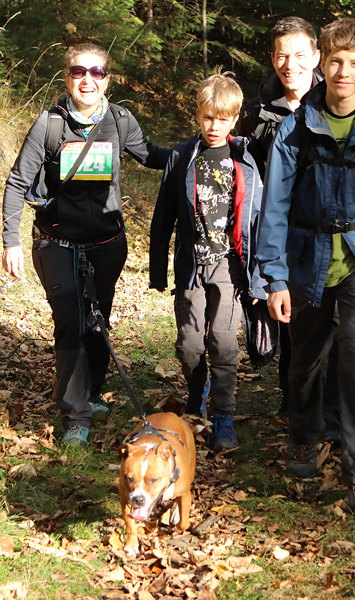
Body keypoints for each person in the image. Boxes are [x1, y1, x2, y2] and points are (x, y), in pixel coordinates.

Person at [255, 18, 355, 515]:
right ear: (323, 65)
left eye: (354, 63)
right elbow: (274, 208)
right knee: (305, 362)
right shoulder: (293, 130)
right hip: (306, 263)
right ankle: (304, 438)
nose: (344, 72)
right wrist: (275, 277)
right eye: (336, 62)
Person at [1, 43, 170, 447]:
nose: (88, 80)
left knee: (97, 321)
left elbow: (151, 156)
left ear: (107, 79)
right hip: (56, 242)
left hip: (107, 244)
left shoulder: (120, 120)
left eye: (97, 72)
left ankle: (91, 392)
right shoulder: (49, 125)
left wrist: (200, 149)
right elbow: (17, 182)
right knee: (71, 322)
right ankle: (76, 415)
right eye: (79, 71)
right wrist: (11, 241)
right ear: (67, 77)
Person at [149, 70, 265, 452]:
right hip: (191, 266)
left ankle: (223, 415)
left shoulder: (244, 161)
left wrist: (260, 277)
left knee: (224, 343)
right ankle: (197, 391)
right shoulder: (183, 157)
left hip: (230, 267)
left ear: (234, 120)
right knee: (189, 346)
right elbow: (163, 216)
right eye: (208, 117)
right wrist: (157, 270)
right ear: (198, 115)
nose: (214, 125)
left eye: (223, 118)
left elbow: (257, 221)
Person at [238, 17, 341, 444]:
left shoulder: (338, 103)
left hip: (330, 232)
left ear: (316, 56)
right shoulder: (256, 114)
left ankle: (328, 411)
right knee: (289, 316)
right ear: (272, 58)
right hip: (279, 233)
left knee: (330, 321)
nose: (290, 64)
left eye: (300, 55)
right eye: (282, 55)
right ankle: (293, 399)